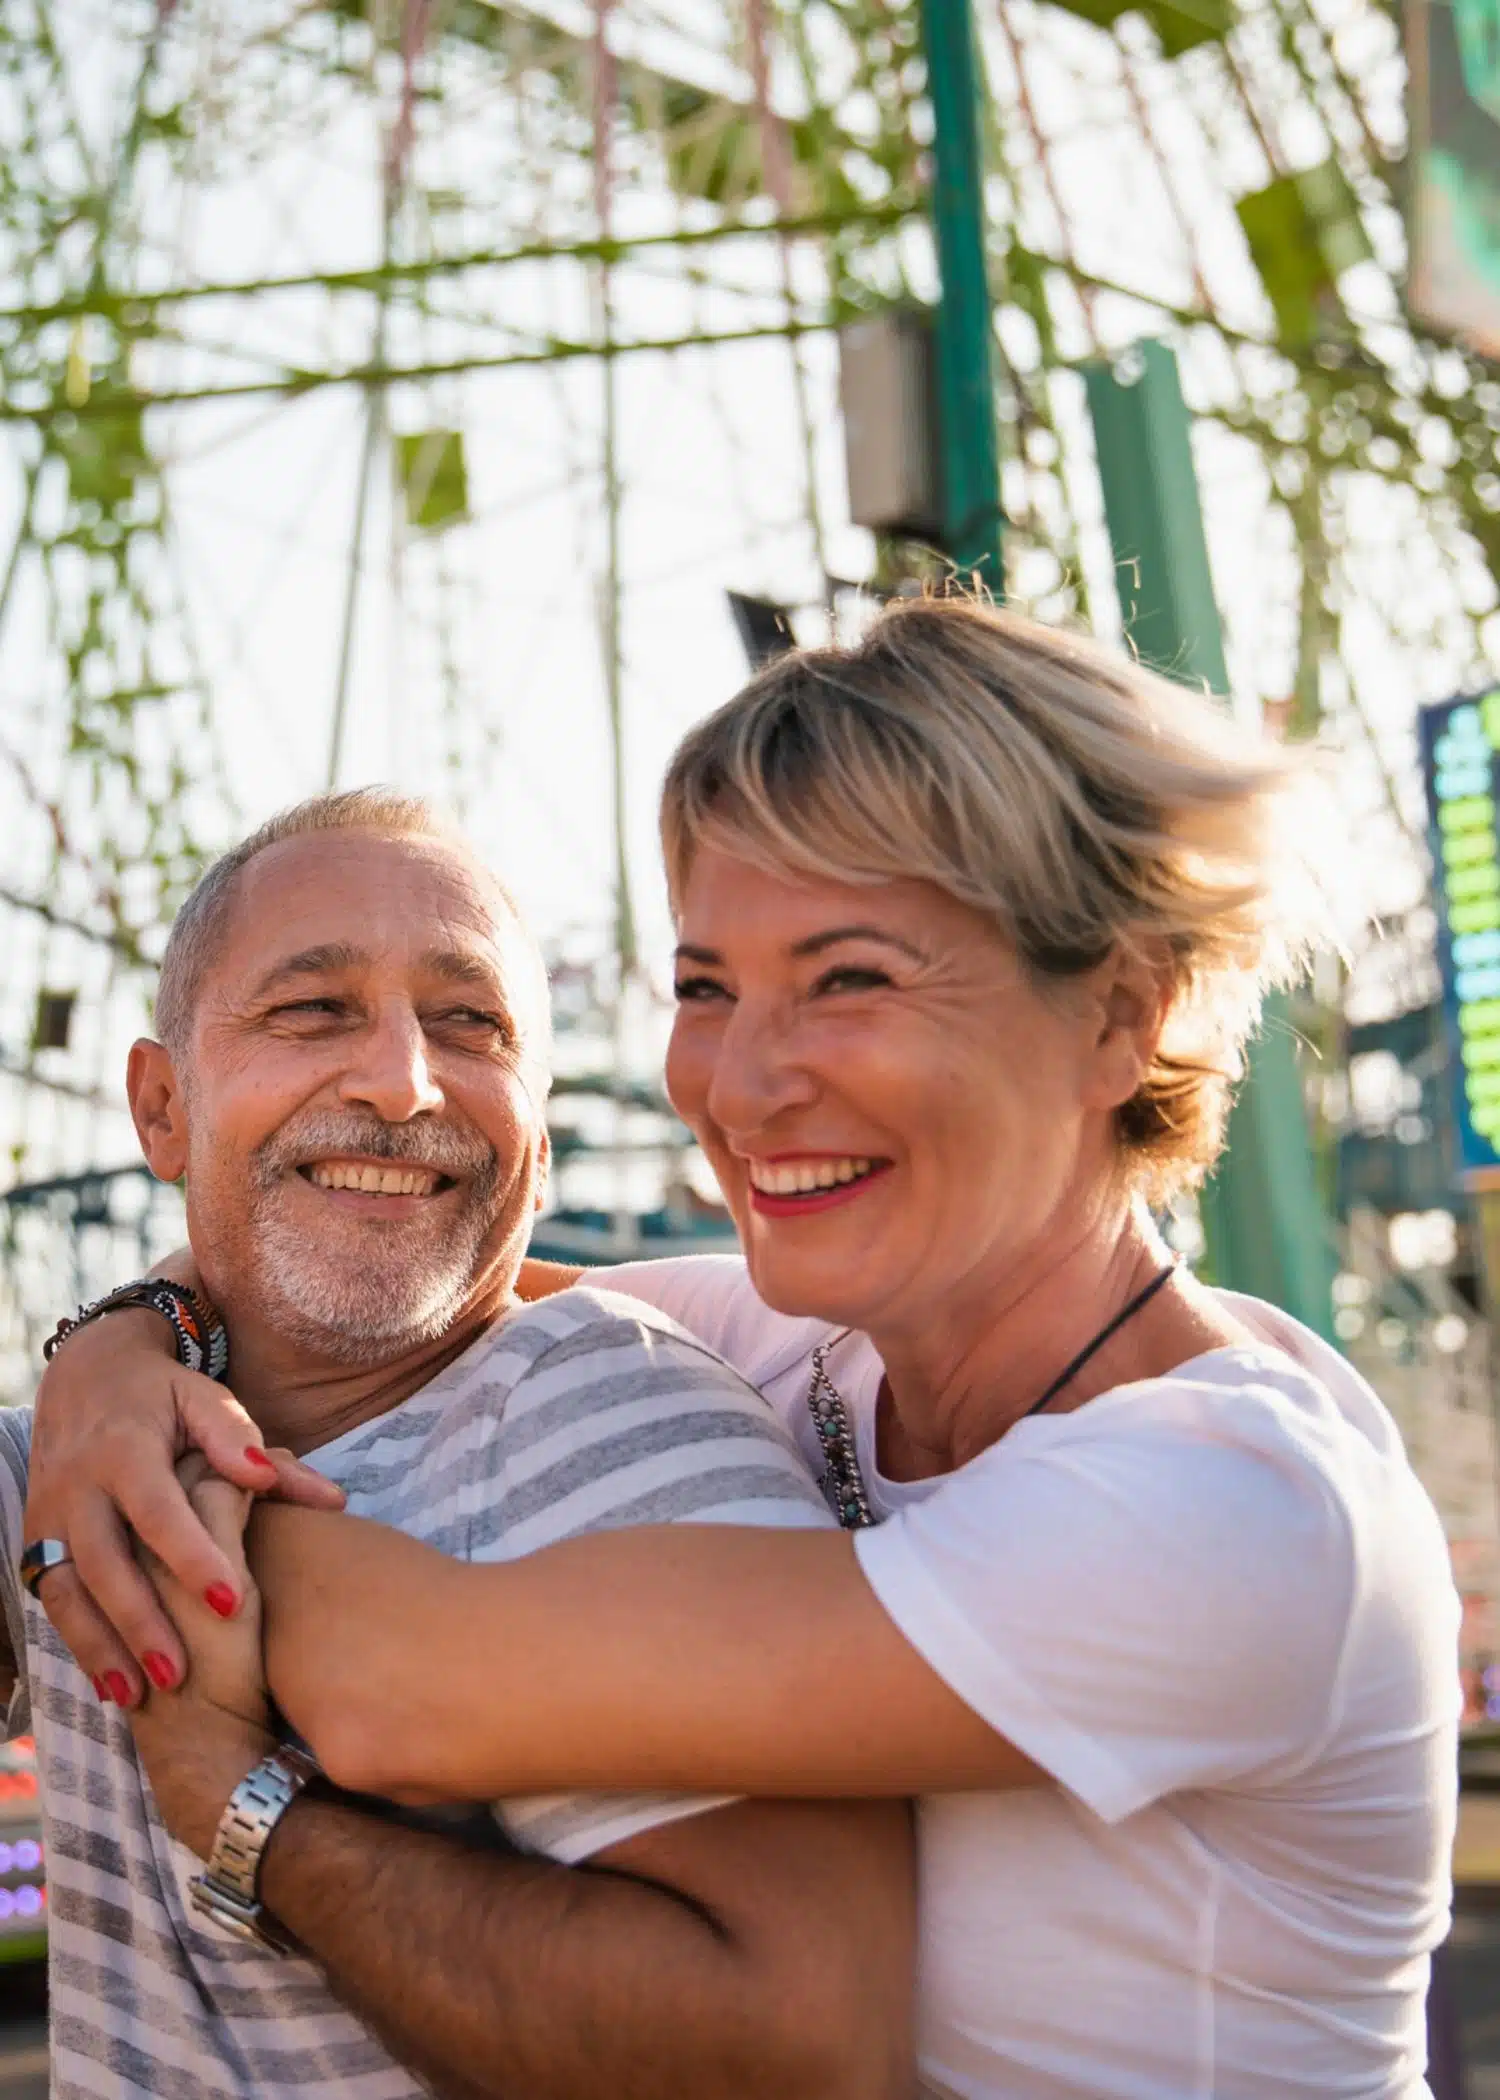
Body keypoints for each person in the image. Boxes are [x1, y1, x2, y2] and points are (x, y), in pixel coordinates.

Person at [32, 598, 1460, 2099]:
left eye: (850, 980)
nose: (746, 1082)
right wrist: (119, 1358)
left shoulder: (1226, 1516)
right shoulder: (810, 1345)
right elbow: (384, 1259)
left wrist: (188, 1648)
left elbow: (394, 1687)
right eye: (710, 988)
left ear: (1118, 1016)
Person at [0, 790, 914, 2099]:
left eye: (468, 1024)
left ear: (535, 1143)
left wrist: (247, 1811)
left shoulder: (614, 1416)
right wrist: (114, 1342)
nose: (400, 1078)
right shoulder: (83, 1461)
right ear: (161, 1109)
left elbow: (800, 2050)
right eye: (313, 1010)